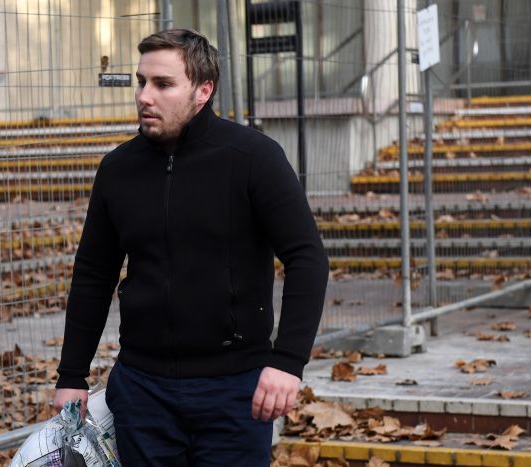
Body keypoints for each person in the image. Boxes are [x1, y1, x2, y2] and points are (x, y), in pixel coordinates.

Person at [53, 28, 329, 466]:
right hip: (143, 392)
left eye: (163, 84)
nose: (145, 96)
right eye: (141, 82)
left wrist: (288, 362)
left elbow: (307, 258)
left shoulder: (254, 158)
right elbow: (93, 274)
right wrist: (72, 375)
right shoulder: (118, 170)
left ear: (204, 90)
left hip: (237, 391)